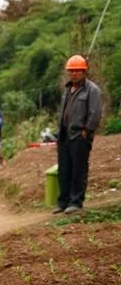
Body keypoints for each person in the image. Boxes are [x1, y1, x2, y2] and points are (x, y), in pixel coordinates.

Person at [54, 54, 103, 215]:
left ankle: (76, 202)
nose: (74, 73)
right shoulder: (68, 89)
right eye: (71, 71)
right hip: (64, 136)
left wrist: (86, 131)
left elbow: (95, 114)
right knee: (64, 170)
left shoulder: (92, 90)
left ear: (84, 72)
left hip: (79, 137)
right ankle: (63, 202)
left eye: (78, 71)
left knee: (78, 170)